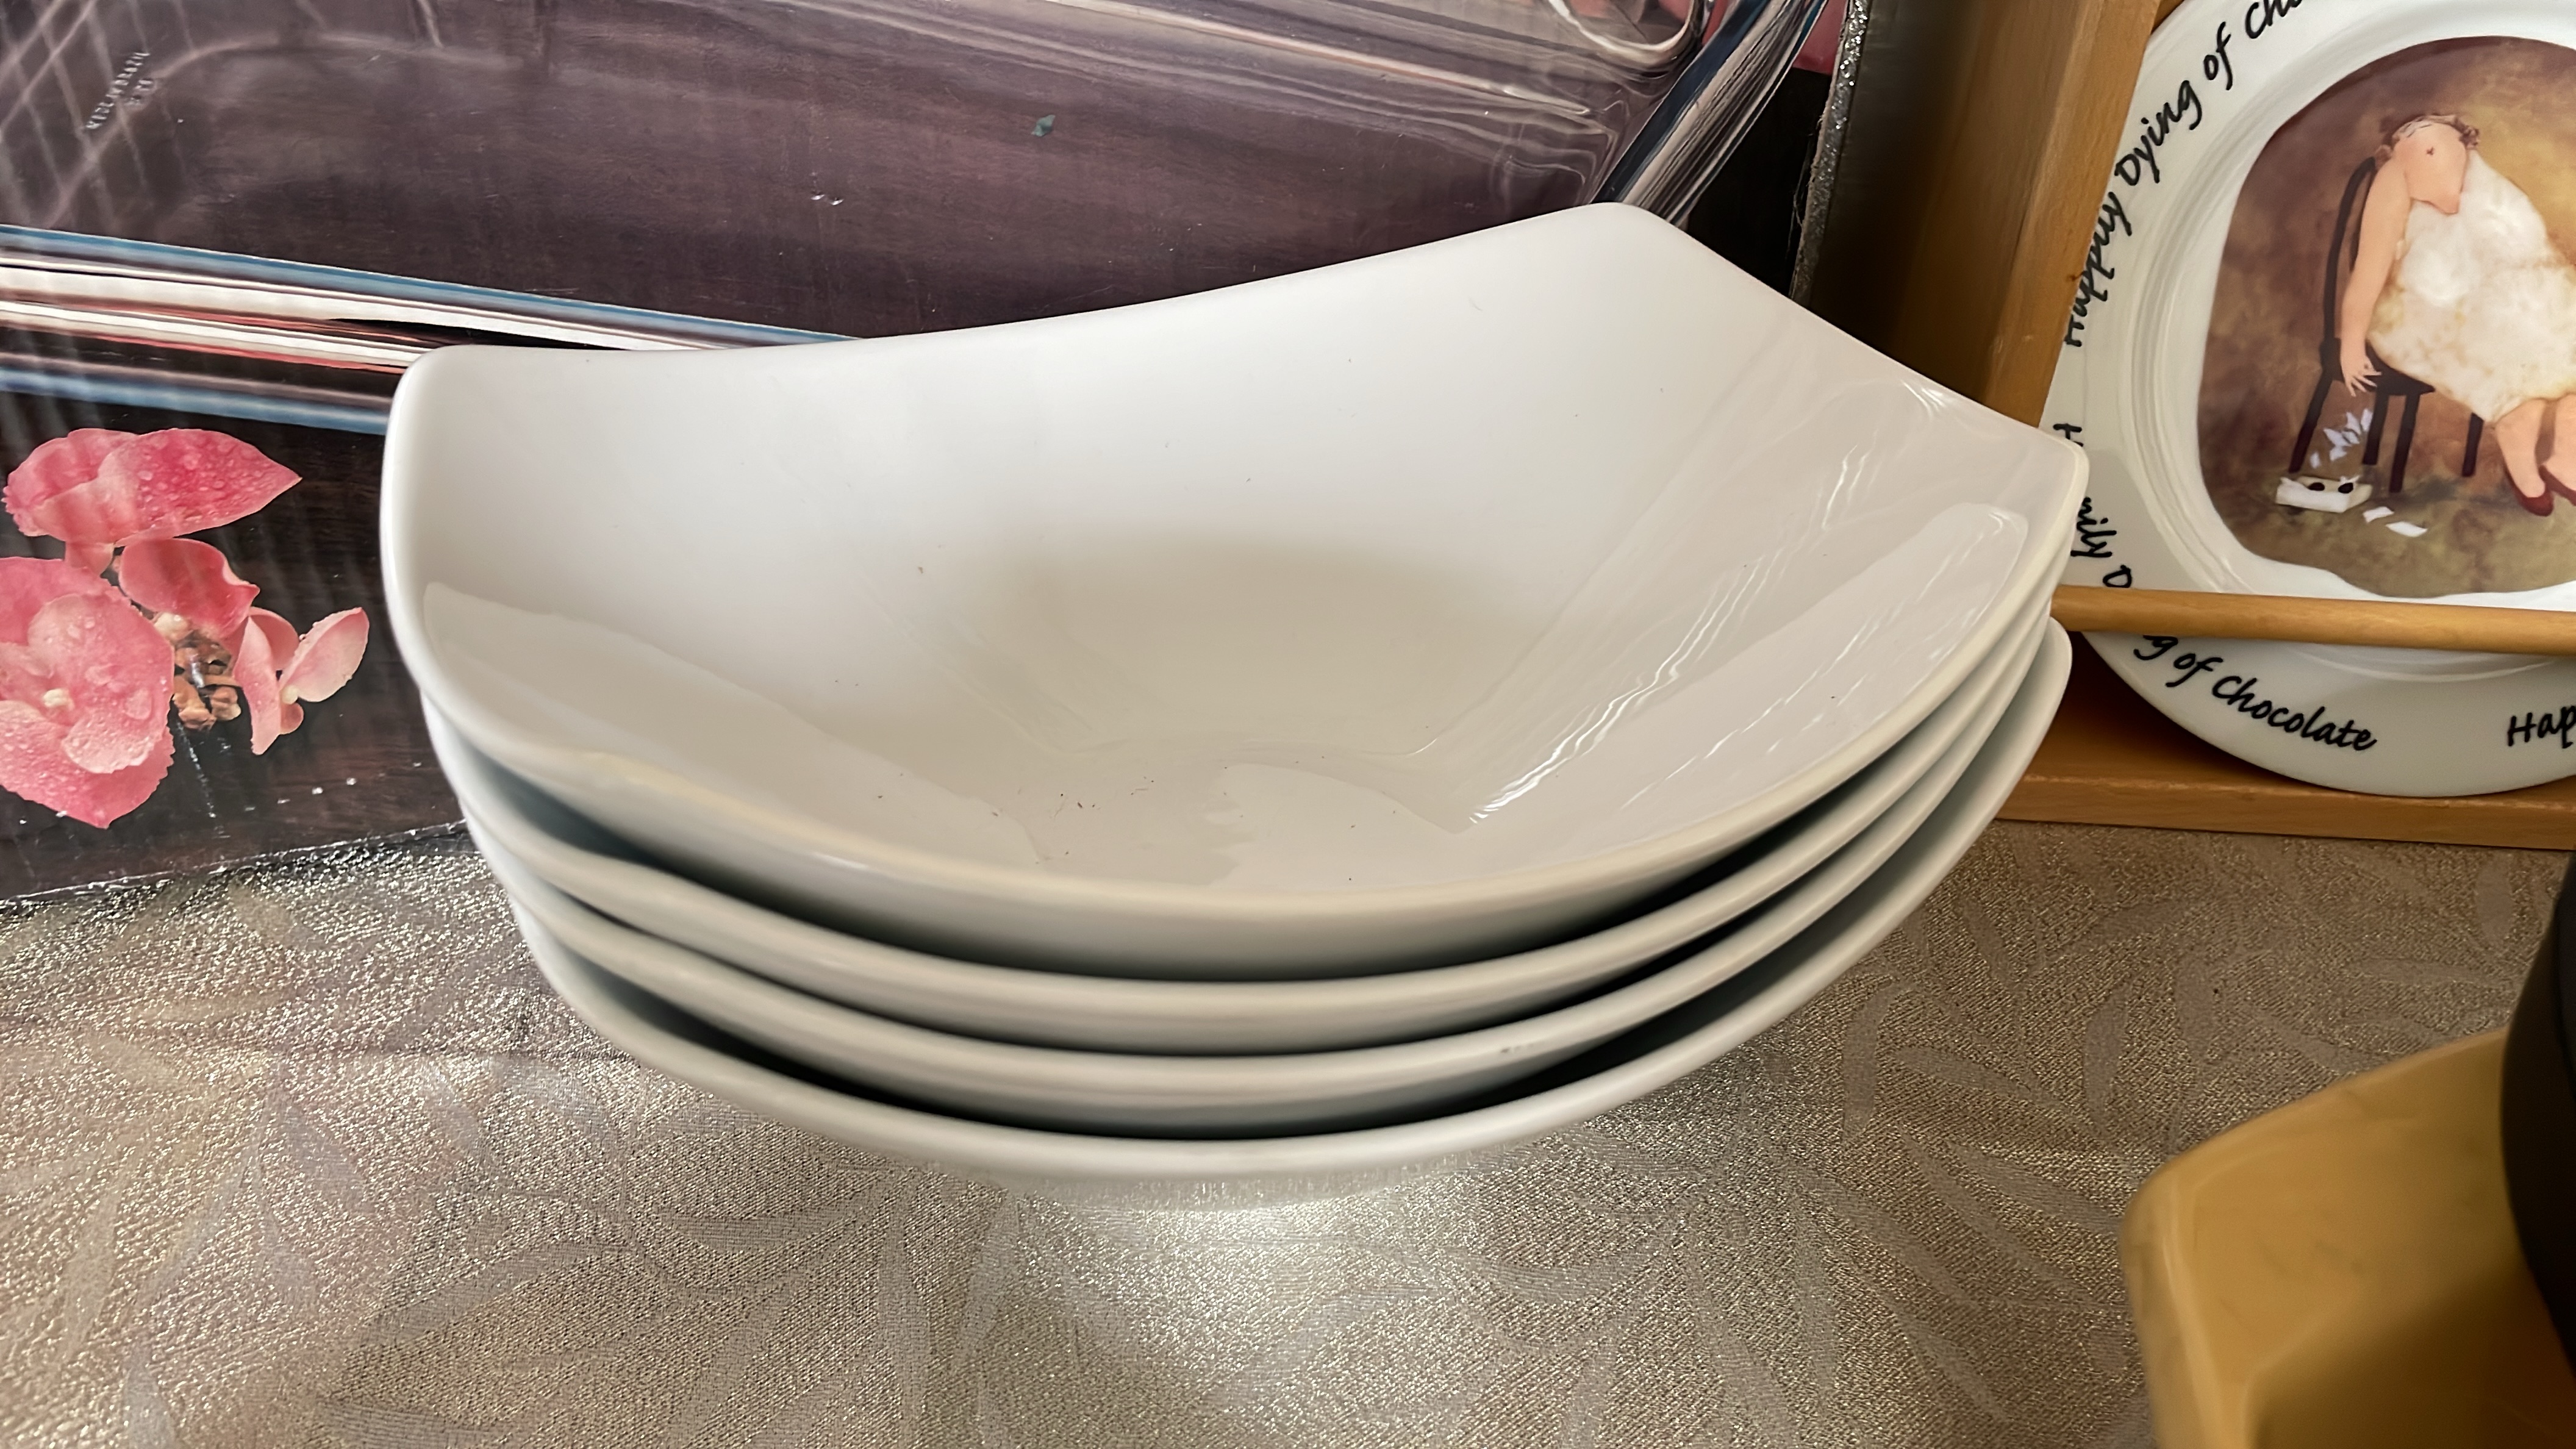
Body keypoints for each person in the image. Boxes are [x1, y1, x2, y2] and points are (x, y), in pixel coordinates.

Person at [2339, 113, 2576, 515]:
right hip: (2430, 313)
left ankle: (2565, 459)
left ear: (2461, 139)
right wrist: (2351, 343)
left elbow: (2533, 248)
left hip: (2519, 295)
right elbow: (2368, 272)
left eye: (2430, 135)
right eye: (2411, 137)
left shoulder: (2486, 179)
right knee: (2525, 353)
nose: (2421, 142)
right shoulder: (2394, 179)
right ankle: (2518, 429)